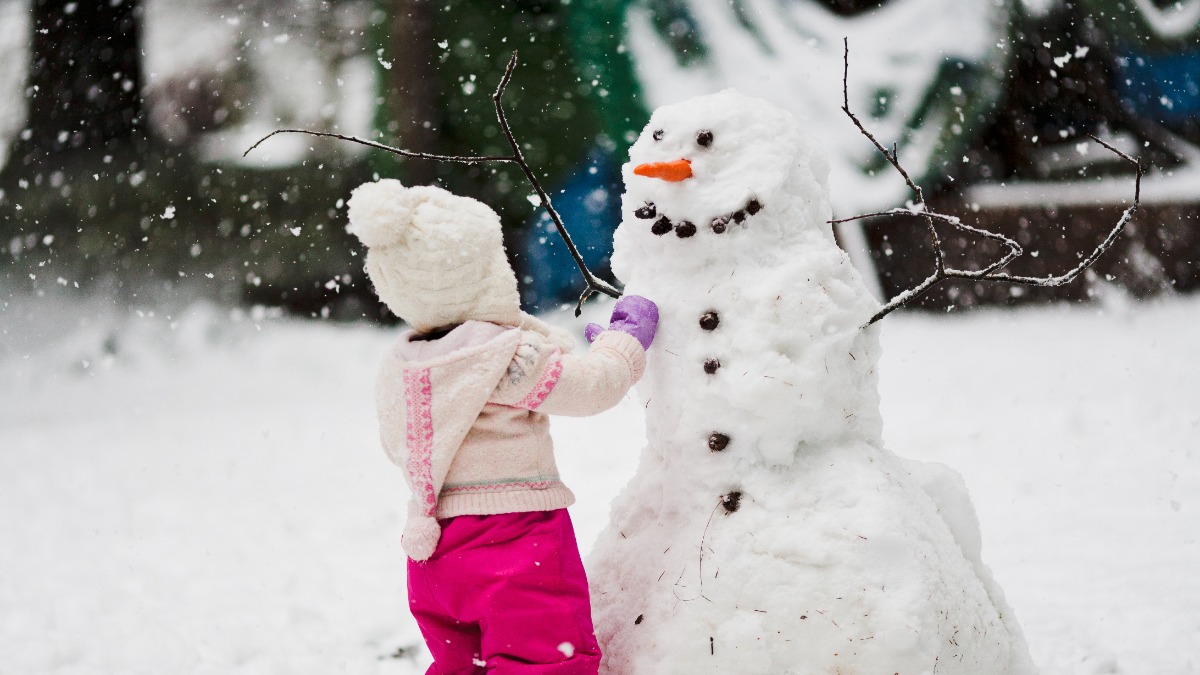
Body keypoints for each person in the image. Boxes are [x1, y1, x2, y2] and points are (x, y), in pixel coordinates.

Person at [347, 179, 657, 675]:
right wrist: (624, 343)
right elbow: (595, 388)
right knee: (543, 661)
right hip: (513, 544)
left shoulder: (404, 364)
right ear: (484, 275)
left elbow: (400, 443)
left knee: (461, 667)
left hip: (435, 558)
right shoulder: (503, 357)